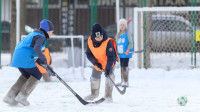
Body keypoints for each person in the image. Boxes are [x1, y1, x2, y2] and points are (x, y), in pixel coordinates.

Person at [3, 19, 54, 106]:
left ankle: (10, 97)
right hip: (24, 57)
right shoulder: (41, 37)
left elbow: (32, 50)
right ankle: (22, 97)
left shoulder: (34, 34)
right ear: (47, 31)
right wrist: (44, 60)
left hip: (18, 57)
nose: (52, 33)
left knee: (26, 75)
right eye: (51, 31)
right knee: (37, 74)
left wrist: (40, 60)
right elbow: (36, 49)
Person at [85, 24, 117, 102]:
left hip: (108, 63)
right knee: (94, 77)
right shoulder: (90, 41)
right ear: (93, 37)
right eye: (97, 37)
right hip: (98, 64)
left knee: (109, 76)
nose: (99, 38)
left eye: (100, 36)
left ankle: (108, 96)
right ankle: (94, 94)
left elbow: (111, 57)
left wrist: (108, 69)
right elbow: (88, 54)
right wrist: (95, 62)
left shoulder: (107, 42)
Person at [115, 18, 133, 87]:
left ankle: (126, 81)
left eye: (123, 25)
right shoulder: (118, 34)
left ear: (125, 26)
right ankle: (122, 81)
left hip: (126, 54)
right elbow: (117, 43)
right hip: (121, 54)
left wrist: (128, 50)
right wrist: (116, 51)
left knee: (125, 66)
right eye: (121, 25)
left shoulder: (127, 33)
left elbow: (131, 43)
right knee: (121, 66)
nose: (122, 26)